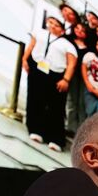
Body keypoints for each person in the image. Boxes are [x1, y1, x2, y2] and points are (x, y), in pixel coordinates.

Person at [22, 16, 77, 152]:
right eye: (51, 22)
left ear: (63, 30)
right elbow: (31, 46)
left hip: (55, 75)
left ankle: (55, 138)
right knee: (35, 100)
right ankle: (35, 129)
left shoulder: (67, 44)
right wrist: (24, 60)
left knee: (55, 106)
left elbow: (71, 64)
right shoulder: (39, 33)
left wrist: (66, 80)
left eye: (57, 25)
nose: (52, 26)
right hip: (37, 68)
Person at [66, 22, 91, 135]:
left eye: (83, 30)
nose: (79, 31)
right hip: (70, 74)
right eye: (77, 28)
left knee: (81, 103)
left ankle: (80, 130)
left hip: (84, 78)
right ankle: (70, 127)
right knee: (71, 101)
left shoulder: (89, 48)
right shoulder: (69, 42)